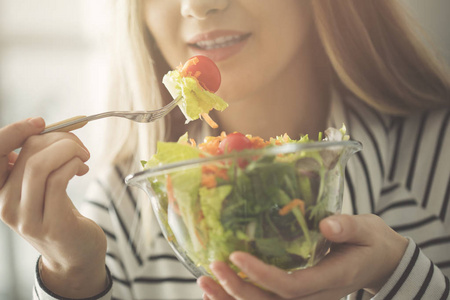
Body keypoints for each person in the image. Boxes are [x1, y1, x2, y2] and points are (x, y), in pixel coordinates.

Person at [0, 0, 449, 299]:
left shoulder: (439, 155)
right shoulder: (115, 212)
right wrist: (72, 275)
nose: (199, 5)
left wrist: (398, 277)